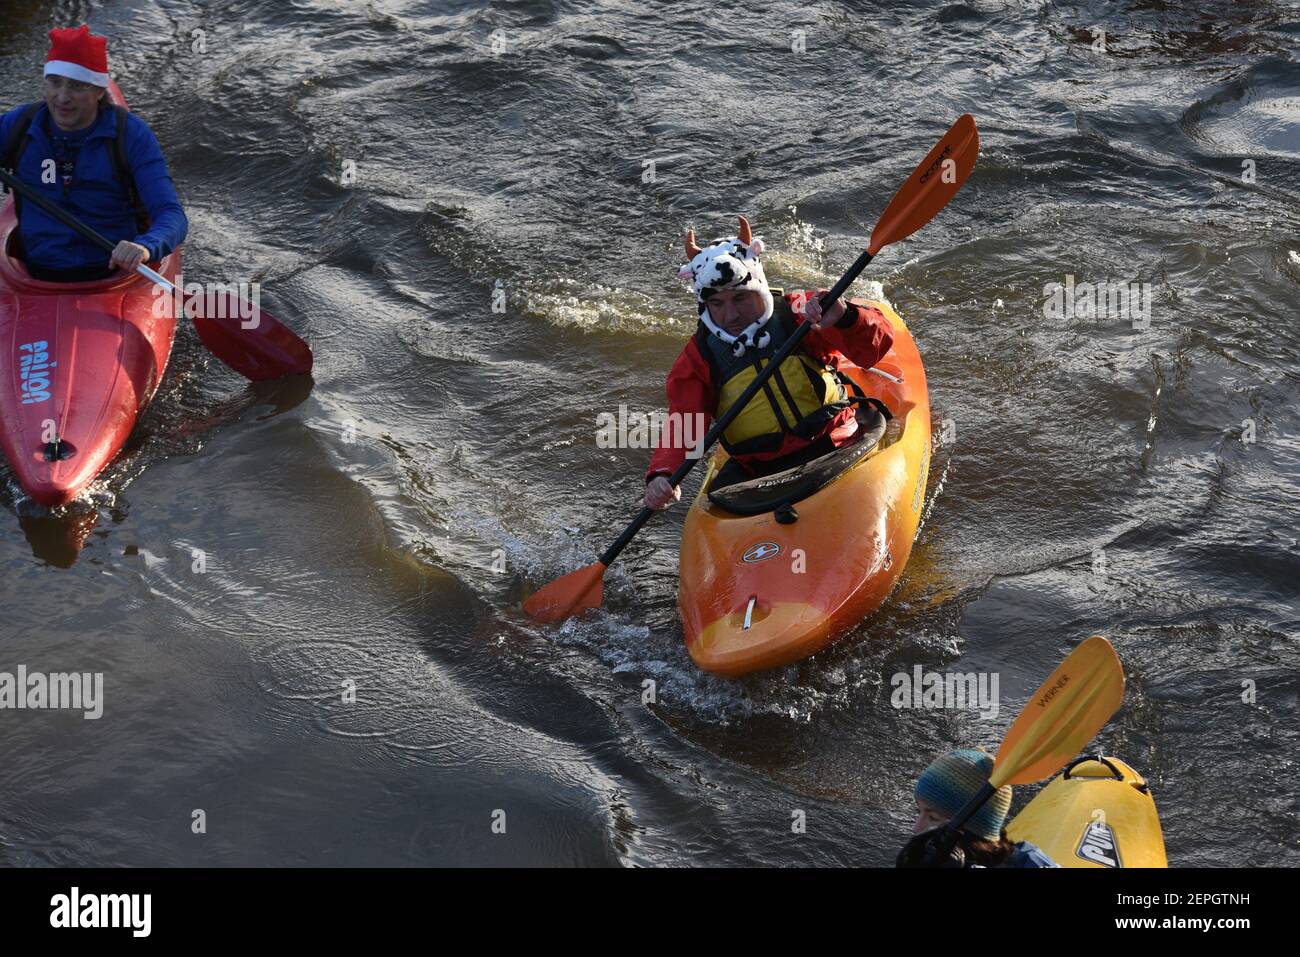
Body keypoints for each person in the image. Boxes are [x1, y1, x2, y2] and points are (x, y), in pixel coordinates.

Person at [644, 215, 895, 509]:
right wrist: (662, 474)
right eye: (717, 303)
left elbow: (873, 350)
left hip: (837, 443)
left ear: (758, 287)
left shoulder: (800, 314)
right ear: (704, 305)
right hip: (762, 473)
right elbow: (685, 423)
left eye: (740, 298)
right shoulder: (699, 356)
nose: (730, 315)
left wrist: (845, 318)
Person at [0, 24, 187, 283]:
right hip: (35, 272)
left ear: (99, 92)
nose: (63, 97)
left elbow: (171, 213)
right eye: (55, 83)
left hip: (111, 271)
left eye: (77, 86)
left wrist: (145, 247)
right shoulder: (18, 125)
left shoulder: (131, 136)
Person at [897, 748, 1059, 868]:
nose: (916, 828)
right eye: (920, 811)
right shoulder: (926, 857)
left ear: (973, 830)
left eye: (933, 817)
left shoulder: (1028, 861)